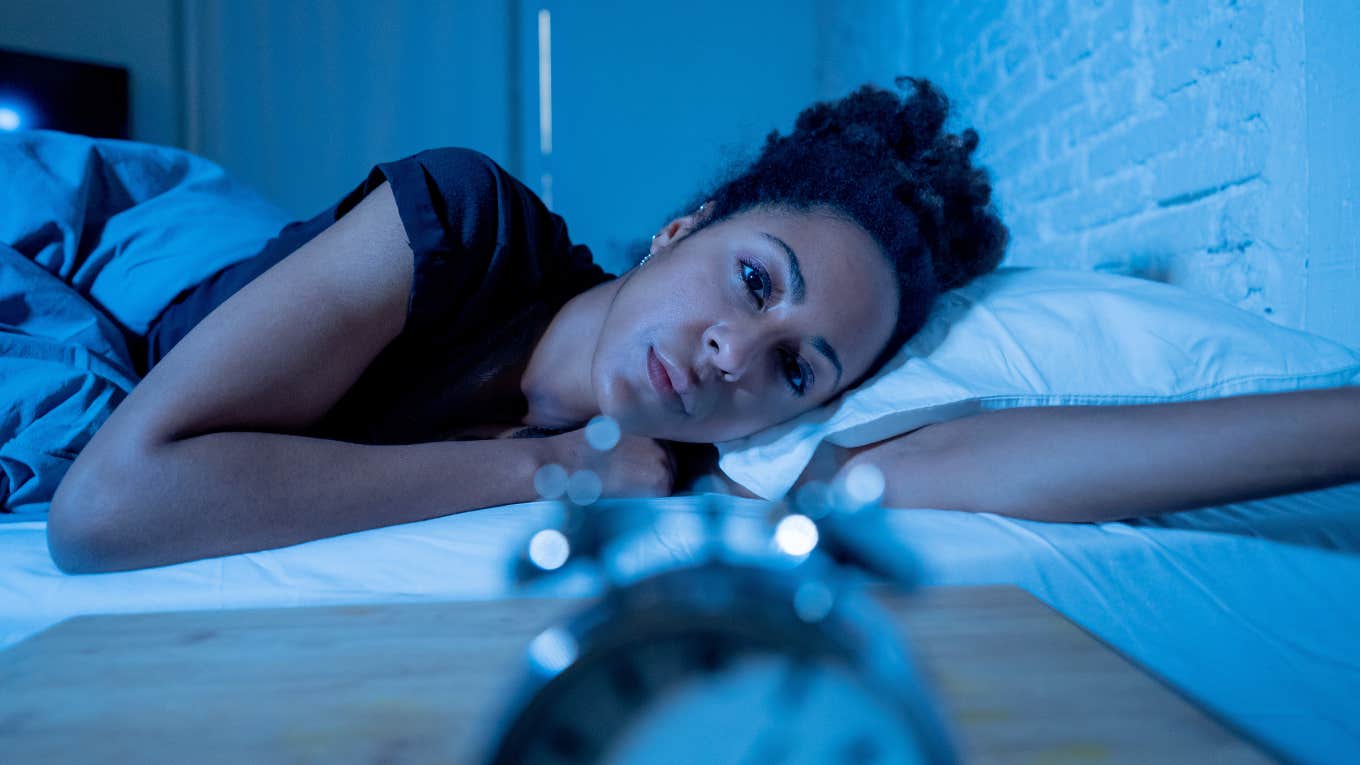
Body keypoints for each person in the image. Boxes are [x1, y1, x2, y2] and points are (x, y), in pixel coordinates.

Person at [46, 77, 1360, 574]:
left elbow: (991, 460)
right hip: (141, 256)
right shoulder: (458, 217)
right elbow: (107, 510)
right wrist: (549, 464)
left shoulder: (720, 461)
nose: (742, 355)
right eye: (754, 280)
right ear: (682, 226)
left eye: (801, 366)